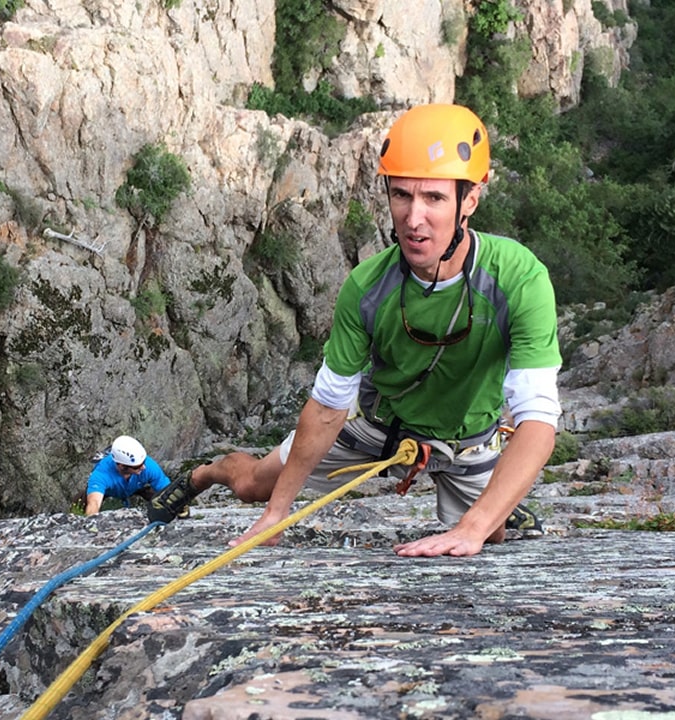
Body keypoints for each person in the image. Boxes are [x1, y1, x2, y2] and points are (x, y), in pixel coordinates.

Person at [149, 103, 561, 557]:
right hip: (377, 427)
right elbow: (328, 407)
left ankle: (502, 505)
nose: (413, 217)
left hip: (466, 439)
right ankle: (202, 475)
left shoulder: (518, 279)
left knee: (490, 534)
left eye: (435, 198)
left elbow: (538, 417)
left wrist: (476, 525)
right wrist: (278, 512)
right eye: (401, 195)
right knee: (252, 486)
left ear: (471, 200)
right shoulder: (368, 288)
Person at [84, 435, 173, 516]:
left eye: (143, 462)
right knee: (82, 502)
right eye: (137, 467)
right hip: (109, 490)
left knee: (157, 497)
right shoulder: (101, 474)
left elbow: (167, 489)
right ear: (122, 466)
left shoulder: (149, 466)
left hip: (138, 486)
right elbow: (94, 503)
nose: (143, 467)